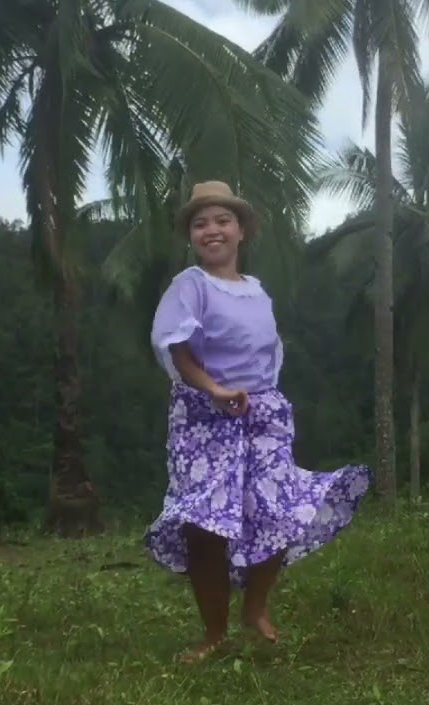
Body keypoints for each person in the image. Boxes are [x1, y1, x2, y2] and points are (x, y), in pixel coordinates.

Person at [144, 180, 371, 663]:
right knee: (206, 527)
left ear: (241, 230)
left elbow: (267, 353)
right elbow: (177, 349)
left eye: (222, 220)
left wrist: (263, 402)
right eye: (200, 223)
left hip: (261, 415)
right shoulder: (190, 286)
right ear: (191, 236)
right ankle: (213, 634)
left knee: (277, 513)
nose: (212, 230)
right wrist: (215, 390)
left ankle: (255, 609)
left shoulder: (256, 290)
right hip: (205, 422)